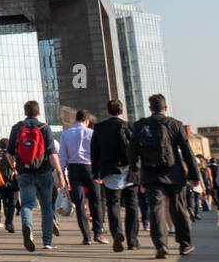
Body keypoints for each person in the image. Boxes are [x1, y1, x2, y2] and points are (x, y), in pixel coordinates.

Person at [131, 94, 200, 258]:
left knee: (156, 209)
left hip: (151, 174)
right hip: (174, 174)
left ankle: (161, 245)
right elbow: (187, 152)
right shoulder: (175, 124)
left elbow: (132, 148)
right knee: (178, 209)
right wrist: (193, 173)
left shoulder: (140, 125)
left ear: (150, 108)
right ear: (165, 108)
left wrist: (135, 167)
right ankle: (185, 244)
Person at [8, 100, 65, 252]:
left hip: (24, 173)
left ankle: (28, 227)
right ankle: (47, 241)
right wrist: (59, 173)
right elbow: (52, 153)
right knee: (46, 206)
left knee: (27, 205)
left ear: (25, 112)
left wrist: (15, 166)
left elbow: (9, 153)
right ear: (38, 112)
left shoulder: (17, 128)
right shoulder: (45, 128)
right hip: (44, 172)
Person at [92, 99, 138, 252]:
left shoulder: (99, 127)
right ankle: (132, 240)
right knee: (132, 205)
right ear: (122, 111)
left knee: (113, 204)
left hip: (109, 170)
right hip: (130, 170)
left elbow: (95, 152)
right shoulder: (130, 126)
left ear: (108, 111)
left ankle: (117, 233)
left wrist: (95, 172)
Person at [58, 110, 105, 244]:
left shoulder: (66, 134)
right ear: (87, 121)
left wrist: (61, 174)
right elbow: (99, 154)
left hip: (74, 168)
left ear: (75, 119)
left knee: (79, 203)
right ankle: (98, 232)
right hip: (90, 168)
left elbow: (62, 156)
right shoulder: (92, 133)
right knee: (96, 200)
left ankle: (86, 236)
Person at [0, 138, 18, 233]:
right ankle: (9, 222)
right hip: (12, 181)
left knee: (0, 201)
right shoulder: (13, 154)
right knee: (12, 203)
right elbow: (16, 165)